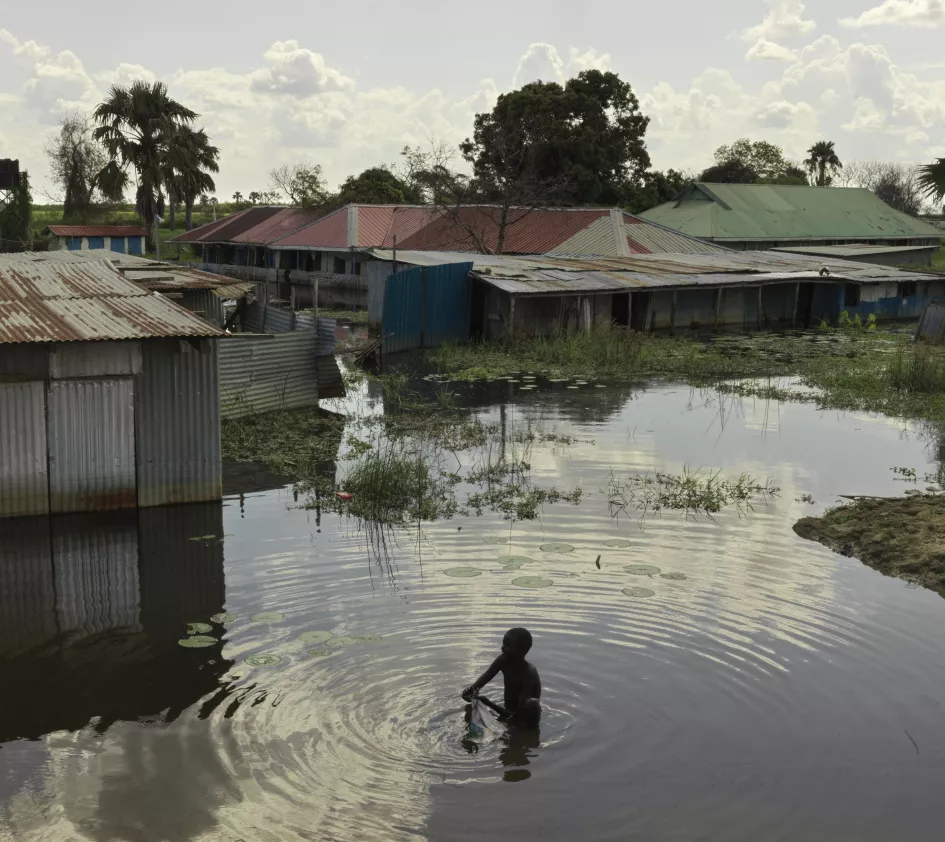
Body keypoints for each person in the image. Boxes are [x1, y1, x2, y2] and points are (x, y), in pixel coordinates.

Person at [461, 628, 541, 728]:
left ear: (520, 651)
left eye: (507, 646)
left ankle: (525, 734)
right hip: (506, 711)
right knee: (470, 711)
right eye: (503, 644)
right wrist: (470, 692)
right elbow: (486, 676)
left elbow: (517, 716)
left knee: (531, 704)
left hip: (522, 718)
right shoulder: (503, 660)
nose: (502, 648)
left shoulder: (528, 674)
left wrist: (488, 703)